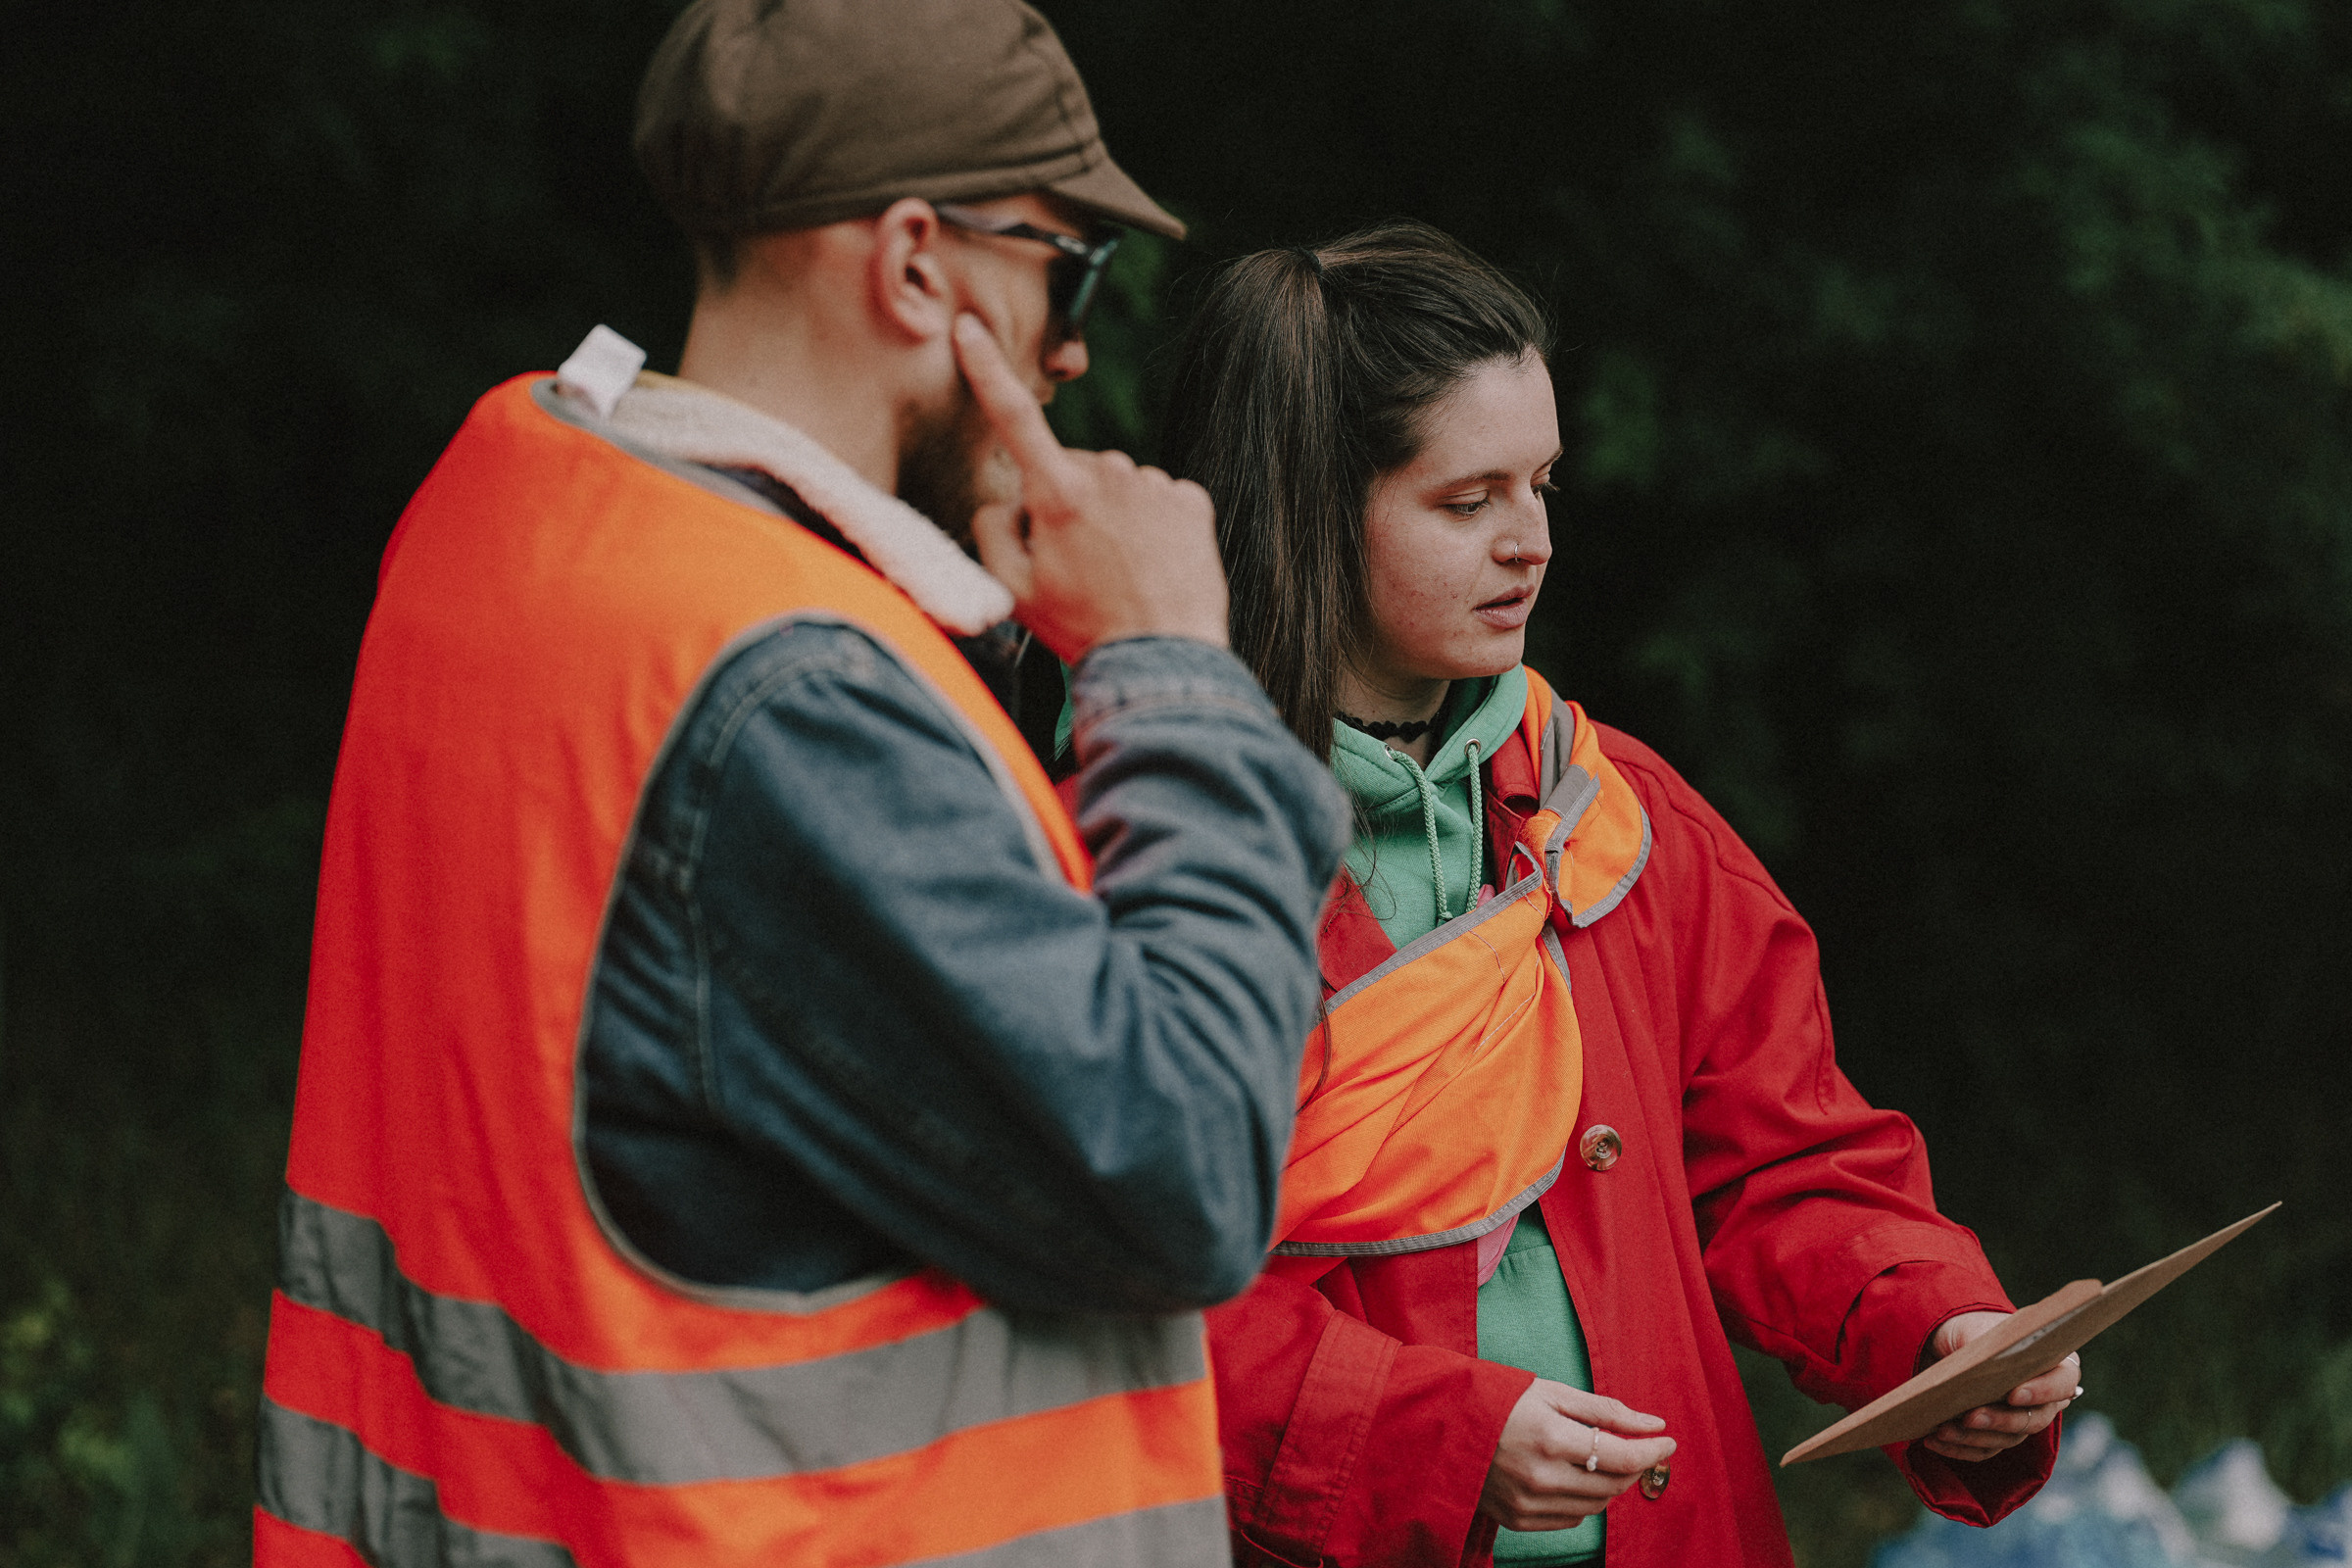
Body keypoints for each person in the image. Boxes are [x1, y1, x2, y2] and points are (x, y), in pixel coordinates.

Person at [252, 3, 1348, 1564]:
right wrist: (1171, 665)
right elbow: (1182, 1171)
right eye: (1063, 268)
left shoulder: (502, 526)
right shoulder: (781, 696)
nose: (1075, 345)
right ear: (917, 263)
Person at [1157, 222, 2077, 1568]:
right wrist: (1446, 1438)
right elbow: (1116, 1309)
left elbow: (1787, 1158)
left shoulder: (1617, 814)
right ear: (1304, 505)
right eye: (1467, 501)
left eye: (1542, 485)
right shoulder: (1139, 856)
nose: (1530, 542)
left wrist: (1938, 1330)